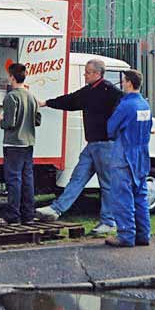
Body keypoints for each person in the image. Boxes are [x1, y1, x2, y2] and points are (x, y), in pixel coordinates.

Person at [35, 58, 123, 235]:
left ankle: (108, 221)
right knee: (77, 177)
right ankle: (56, 209)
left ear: (98, 73)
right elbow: (71, 100)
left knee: (106, 184)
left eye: (88, 72)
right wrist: (47, 103)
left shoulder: (111, 92)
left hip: (106, 145)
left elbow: (125, 110)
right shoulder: (89, 90)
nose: (85, 75)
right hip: (92, 145)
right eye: (85, 71)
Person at [104, 69, 153, 247]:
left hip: (124, 154)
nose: (122, 84)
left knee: (122, 195)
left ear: (129, 83)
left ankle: (125, 235)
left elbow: (110, 128)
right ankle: (143, 235)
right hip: (142, 154)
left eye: (123, 81)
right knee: (140, 195)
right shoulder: (144, 105)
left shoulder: (125, 105)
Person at [0, 63, 41, 225]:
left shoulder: (11, 97)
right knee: (28, 179)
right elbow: (38, 120)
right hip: (28, 142)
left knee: (13, 180)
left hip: (13, 143)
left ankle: (13, 215)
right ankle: (28, 215)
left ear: (11, 77)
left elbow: (10, 123)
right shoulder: (31, 96)